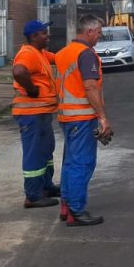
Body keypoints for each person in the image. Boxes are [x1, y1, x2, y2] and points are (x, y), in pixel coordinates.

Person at [54, 14, 111, 226]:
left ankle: (66, 206)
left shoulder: (63, 53)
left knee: (70, 162)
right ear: (88, 32)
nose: (99, 37)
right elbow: (89, 87)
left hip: (66, 117)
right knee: (82, 163)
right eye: (98, 33)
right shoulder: (86, 54)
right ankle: (76, 211)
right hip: (81, 118)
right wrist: (103, 117)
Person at [11, 20, 61, 209]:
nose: (47, 36)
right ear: (33, 37)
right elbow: (19, 71)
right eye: (43, 33)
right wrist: (31, 89)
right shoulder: (27, 54)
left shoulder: (39, 53)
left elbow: (57, 58)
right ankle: (33, 195)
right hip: (31, 113)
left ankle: (46, 187)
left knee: (46, 150)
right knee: (34, 153)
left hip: (42, 112)